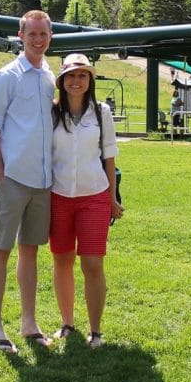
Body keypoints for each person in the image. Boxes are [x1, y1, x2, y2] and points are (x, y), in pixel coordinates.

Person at [0, 9, 55, 354]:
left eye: (43, 34)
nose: (38, 40)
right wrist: (0, 175)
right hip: (12, 180)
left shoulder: (49, 76)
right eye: (32, 34)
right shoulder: (7, 76)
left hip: (42, 182)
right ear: (21, 36)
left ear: (50, 36)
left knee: (30, 251)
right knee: (1, 250)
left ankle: (29, 323)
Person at [48, 54, 123, 349]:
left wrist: (112, 198)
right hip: (58, 196)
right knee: (62, 260)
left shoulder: (101, 112)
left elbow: (109, 156)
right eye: (70, 76)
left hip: (94, 196)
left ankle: (96, 331)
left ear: (90, 80)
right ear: (62, 81)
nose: (76, 81)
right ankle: (67, 323)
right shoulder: (51, 112)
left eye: (82, 76)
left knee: (93, 263)